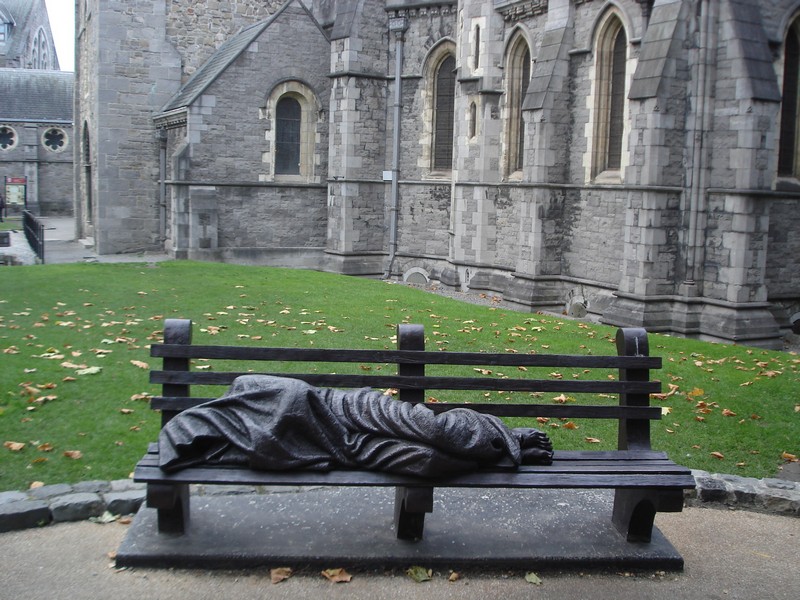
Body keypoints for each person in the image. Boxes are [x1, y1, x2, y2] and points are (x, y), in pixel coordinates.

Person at [159, 375, 554, 478]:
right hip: (341, 447)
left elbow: (297, 395)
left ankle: (505, 434)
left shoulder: (243, 390)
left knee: (431, 429)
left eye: (193, 442)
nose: (197, 445)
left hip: (347, 408)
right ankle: (500, 454)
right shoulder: (229, 448)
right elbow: (277, 453)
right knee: (425, 461)